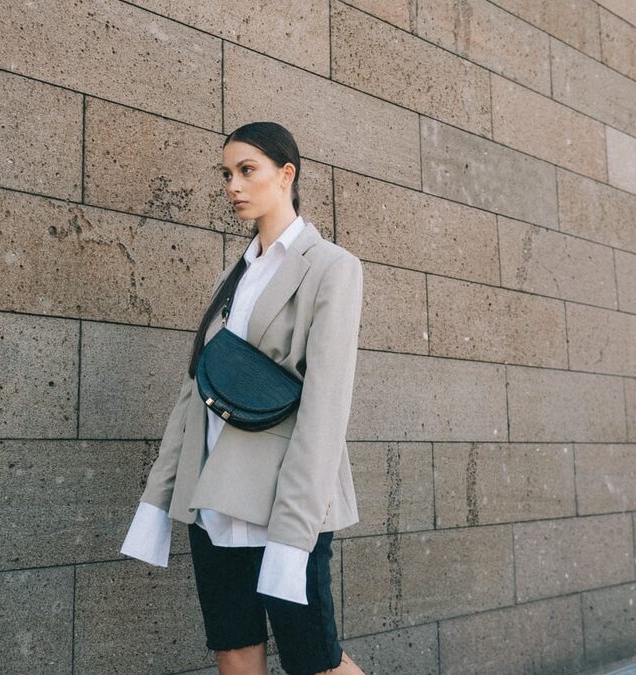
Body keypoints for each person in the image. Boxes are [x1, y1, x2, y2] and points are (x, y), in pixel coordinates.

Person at [121, 121, 366, 675]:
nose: (233, 185)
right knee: (233, 651)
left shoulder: (331, 268)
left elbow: (325, 410)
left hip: (283, 502)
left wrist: (295, 529)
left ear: (286, 174)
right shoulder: (233, 278)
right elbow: (194, 395)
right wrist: (160, 498)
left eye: (247, 170)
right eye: (226, 174)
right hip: (213, 502)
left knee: (315, 662)